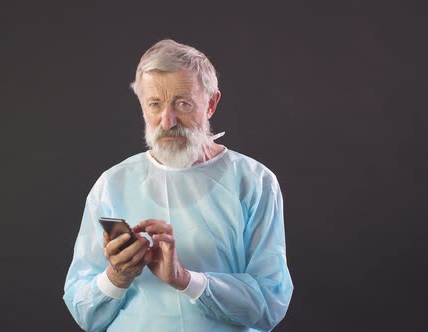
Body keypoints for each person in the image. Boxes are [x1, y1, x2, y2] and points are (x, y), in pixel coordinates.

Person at [63, 39, 293, 332]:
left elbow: (269, 305)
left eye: (182, 104)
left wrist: (184, 279)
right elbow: (85, 315)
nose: (167, 121)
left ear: (210, 104)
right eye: (154, 104)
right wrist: (118, 276)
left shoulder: (253, 182)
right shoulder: (112, 184)